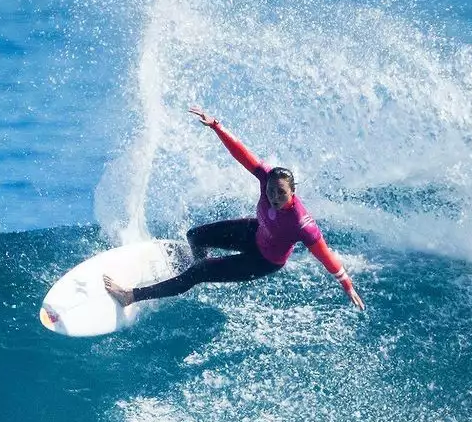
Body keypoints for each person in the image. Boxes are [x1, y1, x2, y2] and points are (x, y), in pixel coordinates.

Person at [105, 107, 366, 311]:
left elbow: (326, 256)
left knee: (199, 272)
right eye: (271, 191)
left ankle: (131, 296)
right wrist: (217, 126)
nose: (274, 197)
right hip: (256, 233)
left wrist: (347, 285)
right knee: (196, 236)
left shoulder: (301, 224)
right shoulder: (267, 178)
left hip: (264, 261)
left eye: (281, 193)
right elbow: (242, 153)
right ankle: (195, 273)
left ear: (293, 192)